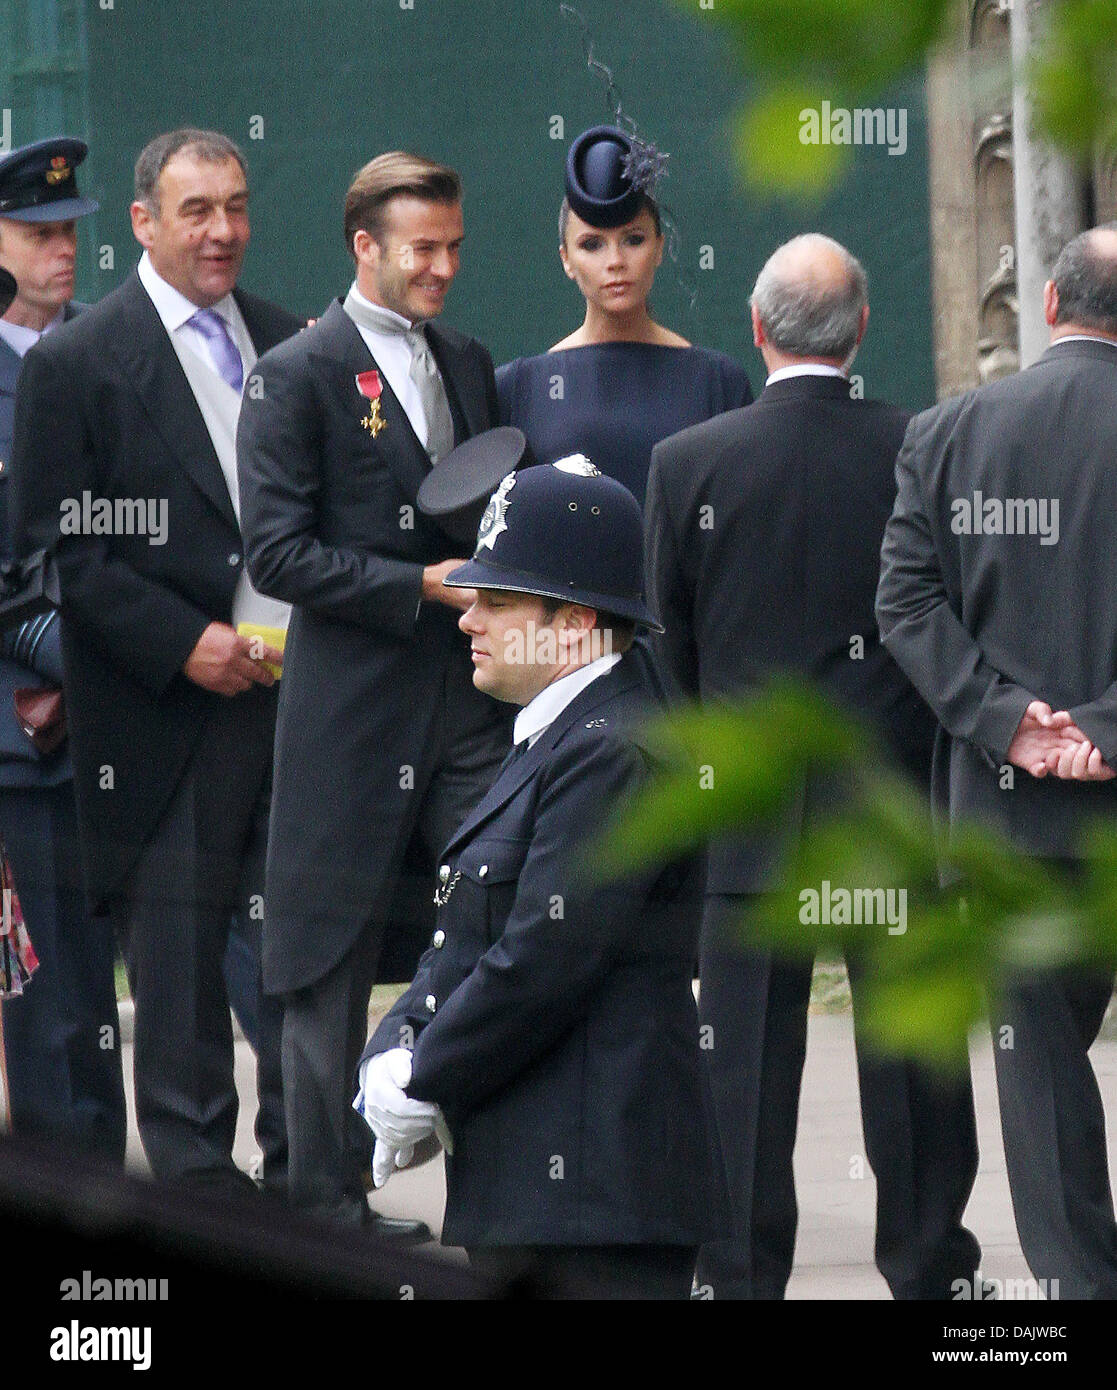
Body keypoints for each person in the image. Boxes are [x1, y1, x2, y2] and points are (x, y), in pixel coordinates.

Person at [645, 233, 982, 1299]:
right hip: (888, 808)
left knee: (738, 1070)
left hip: (745, 809)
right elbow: (946, 625)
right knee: (913, 1069)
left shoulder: (686, 462)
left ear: (755, 330)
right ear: (863, 328)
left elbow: (667, 645)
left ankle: (737, 1278)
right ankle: (929, 1268)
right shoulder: (921, 447)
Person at [9, 128, 303, 1199]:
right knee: (175, 985)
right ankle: (201, 1195)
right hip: (158, 721)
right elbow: (56, 553)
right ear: (142, 222)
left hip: (287, 711)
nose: (221, 230)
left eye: (233, 206)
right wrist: (184, 643)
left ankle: (312, 1184)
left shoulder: (287, 342)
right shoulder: (80, 363)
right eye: (195, 210)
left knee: (295, 965)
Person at [357, 458, 713, 1298]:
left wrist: (425, 1075)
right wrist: (394, 1052)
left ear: (574, 622)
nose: (467, 619)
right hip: (541, 1193)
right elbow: (462, 942)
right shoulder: (559, 735)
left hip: (597, 1199)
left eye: (498, 601)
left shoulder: (612, 749)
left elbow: (542, 959)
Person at [237, 152, 509, 1230]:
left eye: (453, 247)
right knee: (323, 958)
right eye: (422, 249)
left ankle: (498, 1189)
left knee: (497, 924)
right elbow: (277, 556)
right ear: (364, 246)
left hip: (470, 711)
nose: (442, 267)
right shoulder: (296, 374)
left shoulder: (471, 359)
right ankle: (322, 1203)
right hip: (348, 717)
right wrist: (418, 585)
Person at [877, 224, 1117, 1300]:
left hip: (1004, 811)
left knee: (1039, 1072)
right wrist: (1101, 727)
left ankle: (1076, 1287)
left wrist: (1008, 719)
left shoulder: (947, 430)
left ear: (1050, 309)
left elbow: (904, 603)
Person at [0, 137, 125, 1162]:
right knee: (42, 989)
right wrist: (59, 648)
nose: (63, 251)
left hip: (130, 719)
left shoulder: (103, 352)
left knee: (109, 988)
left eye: (71, 232)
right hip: (24, 732)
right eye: (38, 234)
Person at [496, 125, 753, 509]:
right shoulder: (517, 389)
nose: (615, 262)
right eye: (592, 244)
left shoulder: (718, 384)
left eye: (634, 239)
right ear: (566, 258)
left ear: (660, 247)